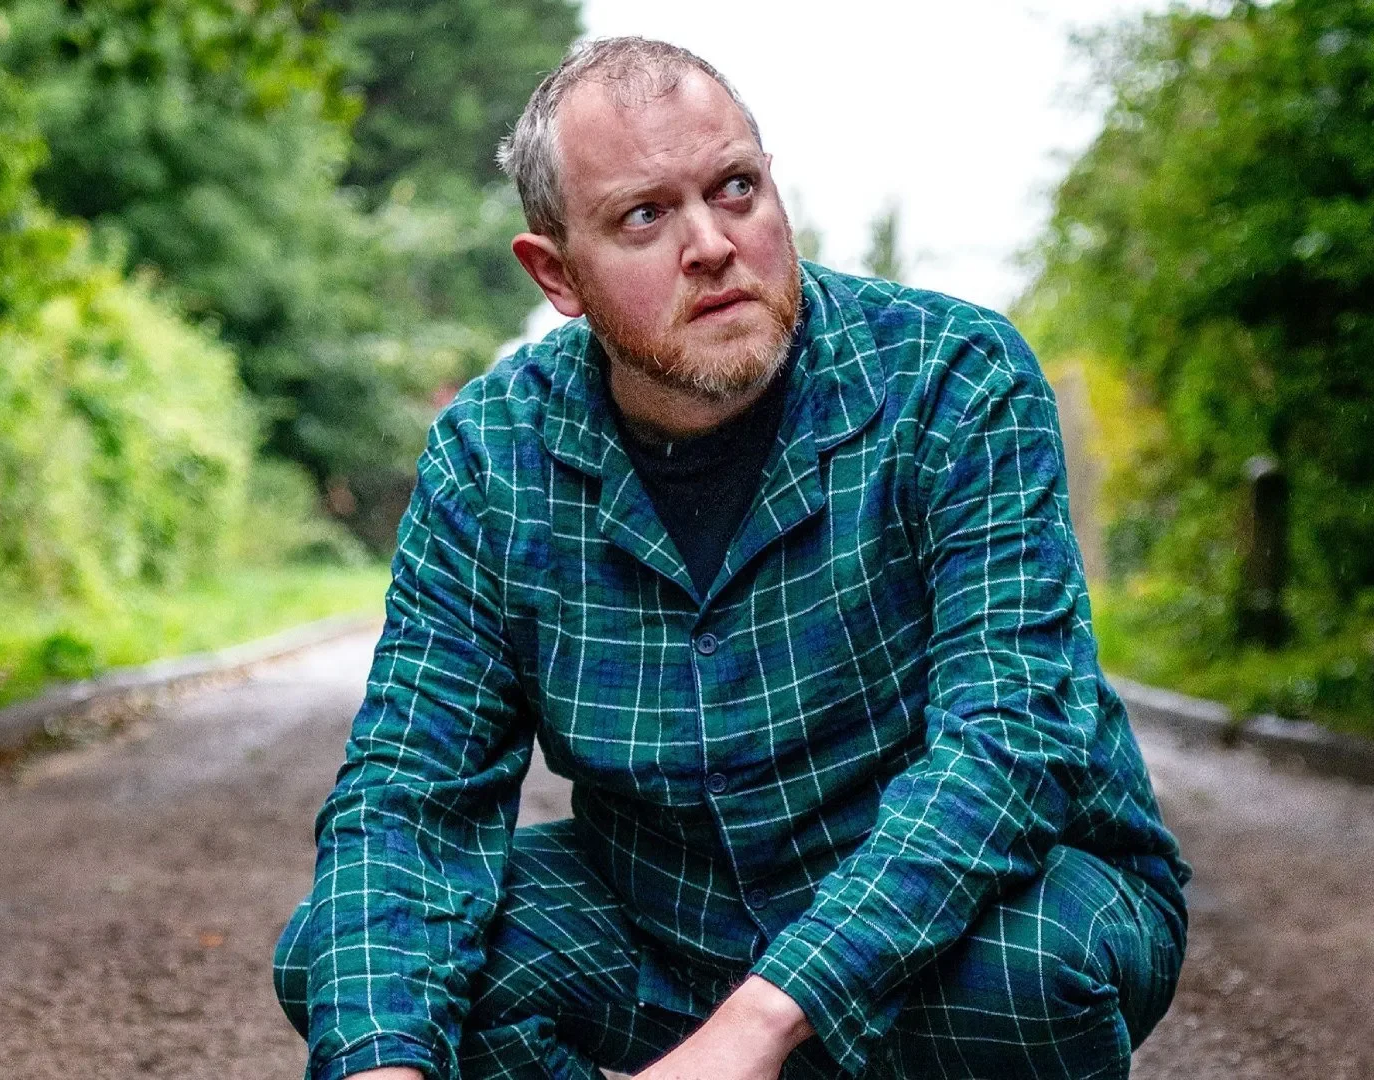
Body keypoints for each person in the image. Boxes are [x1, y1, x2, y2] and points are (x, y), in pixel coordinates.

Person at [274, 36, 1188, 1080]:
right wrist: (384, 1067)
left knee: (1031, 976)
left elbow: (1011, 743)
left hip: (981, 903)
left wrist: (757, 1027)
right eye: (645, 216)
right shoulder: (491, 458)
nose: (710, 243)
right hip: (671, 915)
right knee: (360, 964)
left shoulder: (953, 378)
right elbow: (410, 795)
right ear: (556, 274)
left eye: (736, 188)